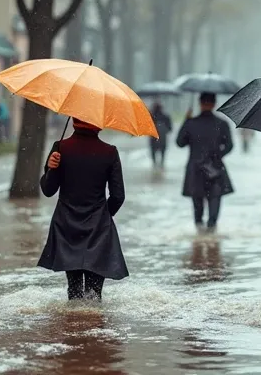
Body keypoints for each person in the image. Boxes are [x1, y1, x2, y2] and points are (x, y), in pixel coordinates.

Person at [38, 118, 127, 300]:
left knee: (74, 294)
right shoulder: (109, 152)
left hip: (66, 226)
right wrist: (103, 215)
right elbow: (118, 196)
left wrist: (50, 168)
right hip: (98, 229)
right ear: (99, 125)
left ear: (73, 122)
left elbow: (48, 190)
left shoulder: (61, 148)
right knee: (94, 297)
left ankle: (73, 327)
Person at [176, 92, 234, 232]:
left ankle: (199, 240)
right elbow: (229, 146)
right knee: (214, 204)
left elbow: (180, 143)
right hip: (215, 169)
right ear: (214, 104)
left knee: (198, 209)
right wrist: (217, 155)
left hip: (195, 170)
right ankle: (212, 238)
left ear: (199, 103)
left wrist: (186, 120)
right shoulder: (222, 124)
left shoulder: (191, 123)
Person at [149, 102, 172, 168]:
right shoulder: (166, 117)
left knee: (154, 156)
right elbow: (170, 129)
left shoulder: (151, 116)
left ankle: (154, 166)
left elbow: (147, 128)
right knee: (162, 155)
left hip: (153, 139)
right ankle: (161, 166)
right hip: (163, 139)